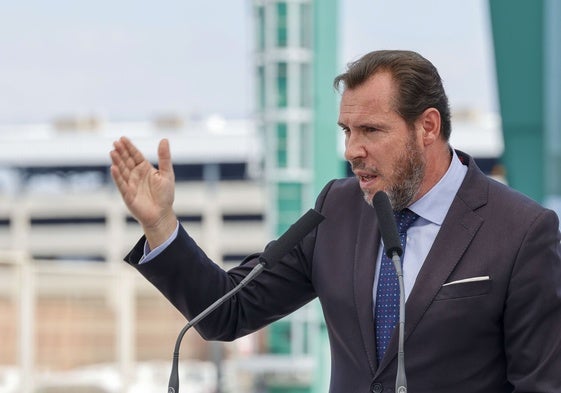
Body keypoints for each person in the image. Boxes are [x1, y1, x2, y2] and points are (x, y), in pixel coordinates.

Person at [110, 50, 561, 393]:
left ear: (427, 127)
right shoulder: (337, 209)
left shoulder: (523, 232)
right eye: (347, 131)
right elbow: (227, 311)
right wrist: (160, 223)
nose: (351, 151)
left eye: (371, 131)